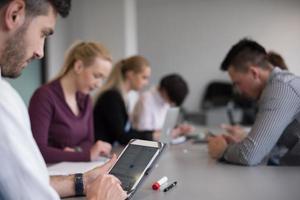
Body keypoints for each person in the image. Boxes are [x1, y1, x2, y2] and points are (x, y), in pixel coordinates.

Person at [0, 0, 126, 199]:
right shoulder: (10, 101)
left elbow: (88, 143)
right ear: (14, 14)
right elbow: (41, 158)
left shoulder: (86, 101)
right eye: (43, 33)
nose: (41, 53)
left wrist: (82, 178)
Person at [208, 38, 300, 166]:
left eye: (238, 83)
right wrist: (241, 142)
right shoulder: (277, 85)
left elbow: (250, 155)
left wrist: (222, 150)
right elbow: (270, 146)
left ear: (254, 73)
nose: (238, 91)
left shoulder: (280, 89)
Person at [29, 41, 113, 163]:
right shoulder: (44, 96)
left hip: (74, 169)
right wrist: (86, 155)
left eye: (103, 79)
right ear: (78, 66)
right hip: (50, 173)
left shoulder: (86, 99)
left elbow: (88, 141)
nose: (99, 84)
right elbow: (37, 150)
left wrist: (76, 151)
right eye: (96, 76)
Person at [94, 55, 159, 145]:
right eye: (144, 77)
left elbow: (127, 132)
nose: (146, 83)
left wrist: (152, 133)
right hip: (101, 155)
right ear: (130, 74)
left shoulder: (121, 97)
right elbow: (122, 136)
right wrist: (152, 136)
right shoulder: (111, 97)